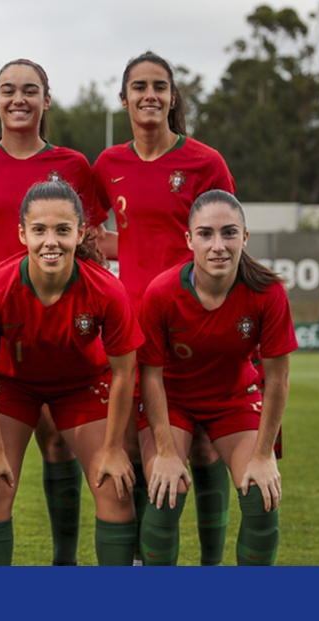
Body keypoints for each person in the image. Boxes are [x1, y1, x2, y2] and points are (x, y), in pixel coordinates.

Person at [90, 50, 236, 566]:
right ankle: (135, 563)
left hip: (194, 325)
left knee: (205, 448)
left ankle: (212, 565)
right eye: (138, 86)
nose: (149, 95)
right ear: (124, 97)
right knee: (132, 447)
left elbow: (222, 241)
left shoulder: (204, 161)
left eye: (159, 86)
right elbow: (96, 235)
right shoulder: (108, 164)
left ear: (173, 97)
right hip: (129, 330)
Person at [0, 179, 144, 566]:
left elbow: (125, 372)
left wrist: (113, 449)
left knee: (114, 487)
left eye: (62, 230)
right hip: (13, 388)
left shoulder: (106, 290)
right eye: (39, 230)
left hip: (82, 387)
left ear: (80, 233)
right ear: (22, 233)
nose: (51, 241)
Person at [0, 59, 96, 566]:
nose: (19, 99)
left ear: (46, 100)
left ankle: (65, 564)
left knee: (60, 447)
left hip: (60, 330)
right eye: (8, 91)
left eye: (30, 90)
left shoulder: (76, 166)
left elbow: (95, 239)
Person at [137, 189, 296, 566]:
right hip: (172, 402)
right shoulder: (161, 292)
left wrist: (262, 455)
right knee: (165, 491)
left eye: (228, 233)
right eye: (206, 234)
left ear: (245, 237)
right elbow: (151, 376)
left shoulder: (268, 292)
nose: (218, 245)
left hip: (233, 400)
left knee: (261, 496)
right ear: (188, 239)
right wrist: (164, 451)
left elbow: (277, 379)